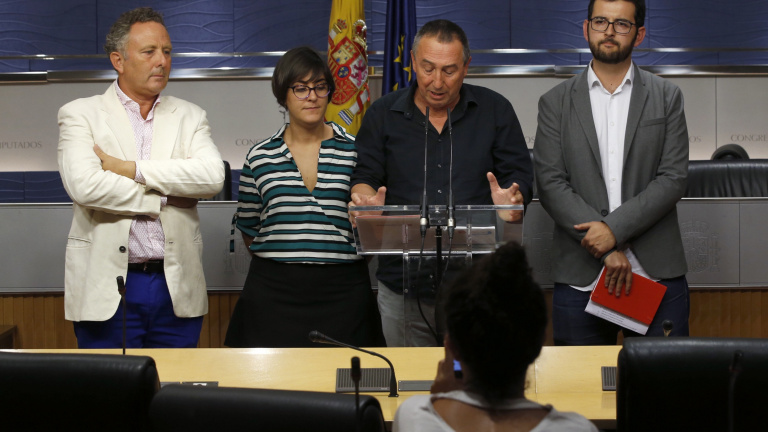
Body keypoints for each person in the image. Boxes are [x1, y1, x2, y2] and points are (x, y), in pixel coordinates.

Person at [350, 19, 533, 347]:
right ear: (412, 61)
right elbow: (365, 178)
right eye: (428, 68)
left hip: (478, 291)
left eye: (449, 70)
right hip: (403, 288)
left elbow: (518, 179)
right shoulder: (382, 115)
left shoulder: (495, 111)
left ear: (466, 67)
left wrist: (512, 203)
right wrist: (364, 202)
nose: (437, 82)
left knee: (474, 377)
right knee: (411, 377)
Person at [57, 7, 225, 348]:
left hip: (175, 286)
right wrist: (165, 197)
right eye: (149, 52)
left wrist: (130, 169)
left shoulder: (191, 116)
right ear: (118, 60)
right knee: (109, 383)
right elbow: (86, 185)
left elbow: (211, 177)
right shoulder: (81, 114)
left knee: (177, 382)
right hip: (108, 286)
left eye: (167, 51)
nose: (162, 61)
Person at [533, 0, 690, 345]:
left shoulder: (667, 97)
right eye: (600, 21)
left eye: (621, 24)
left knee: (664, 378)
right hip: (580, 276)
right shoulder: (555, 102)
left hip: (655, 273)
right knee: (579, 379)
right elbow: (550, 183)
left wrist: (612, 231)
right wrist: (606, 248)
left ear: (639, 34)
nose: (609, 31)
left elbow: (673, 178)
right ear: (586, 27)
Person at [225, 46, 384, 348]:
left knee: (350, 375)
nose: (312, 96)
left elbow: (370, 228)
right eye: (300, 88)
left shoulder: (357, 150)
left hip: (344, 293)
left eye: (320, 86)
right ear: (283, 96)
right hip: (272, 293)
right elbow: (249, 228)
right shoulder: (260, 156)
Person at [392, 242, 598, 432]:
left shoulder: (413, 416)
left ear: (451, 347)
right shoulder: (578, 428)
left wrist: (441, 396)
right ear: (540, 342)